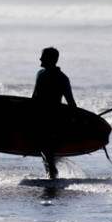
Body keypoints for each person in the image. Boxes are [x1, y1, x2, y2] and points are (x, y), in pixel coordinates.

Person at [32, 47, 77, 179]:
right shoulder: (40, 74)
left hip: (54, 118)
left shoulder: (62, 79)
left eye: (43, 56)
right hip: (39, 116)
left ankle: (52, 174)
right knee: (44, 149)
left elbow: (70, 101)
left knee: (45, 147)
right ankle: (51, 174)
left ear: (52, 59)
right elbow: (34, 96)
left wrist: (76, 120)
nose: (40, 59)